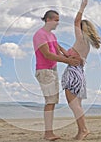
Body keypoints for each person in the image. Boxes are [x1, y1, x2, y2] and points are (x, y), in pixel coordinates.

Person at [33, 10, 81, 141]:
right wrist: (68, 61)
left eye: (58, 20)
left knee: (52, 101)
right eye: (56, 20)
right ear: (48, 20)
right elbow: (47, 54)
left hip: (52, 70)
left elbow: (57, 48)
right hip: (44, 71)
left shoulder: (51, 35)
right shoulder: (40, 35)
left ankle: (49, 132)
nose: (58, 23)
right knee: (50, 101)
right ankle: (48, 133)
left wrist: (68, 55)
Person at [61, 0, 101, 140]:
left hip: (73, 74)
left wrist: (82, 7)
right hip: (80, 75)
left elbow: (76, 21)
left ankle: (83, 130)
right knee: (77, 105)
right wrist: (56, 45)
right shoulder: (85, 44)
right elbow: (67, 55)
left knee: (74, 105)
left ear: (83, 29)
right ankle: (81, 131)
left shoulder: (81, 38)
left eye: (79, 27)